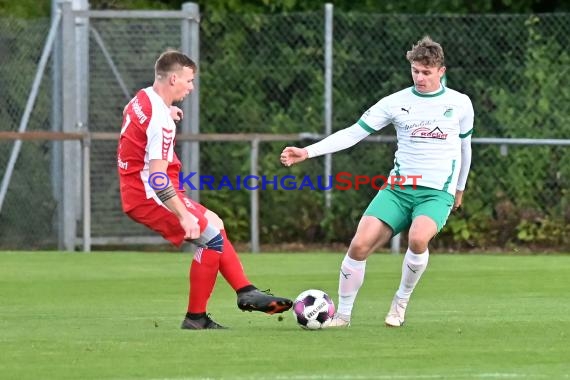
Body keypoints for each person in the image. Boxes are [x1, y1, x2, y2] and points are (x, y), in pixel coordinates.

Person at [280, 36, 474, 327]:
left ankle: (400, 302)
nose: (419, 77)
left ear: (441, 71)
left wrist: (459, 188)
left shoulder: (459, 103)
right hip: (397, 189)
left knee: (418, 238)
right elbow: (353, 133)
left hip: (436, 192)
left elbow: (465, 148)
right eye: (415, 71)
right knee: (359, 246)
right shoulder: (395, 102)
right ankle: (343, 316)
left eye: (426, 72)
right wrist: (308, 151)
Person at [117, 50, 292, 330]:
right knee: (209, 238)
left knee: (215, 224)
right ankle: (195, 318)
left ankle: (246, 291)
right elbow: (158, 178)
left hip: (139, 186)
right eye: (189, 80)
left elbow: (134, 118)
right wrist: (183, 215)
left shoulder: (143, 99)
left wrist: (167, 111)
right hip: (148, 194)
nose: (191, 87)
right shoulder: (159, 121)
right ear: (173, 78)